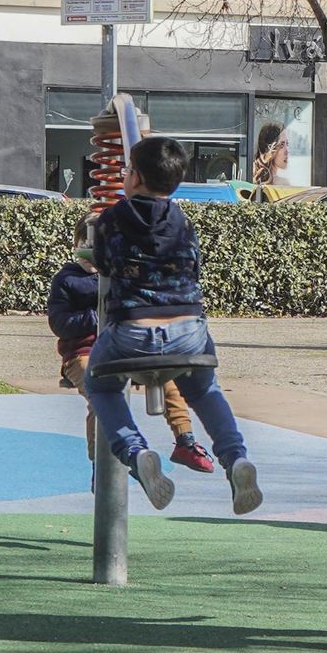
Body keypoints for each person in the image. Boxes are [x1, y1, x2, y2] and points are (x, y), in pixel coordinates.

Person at [84, 136, 263, 515]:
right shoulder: (183, 220)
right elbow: (194, 267)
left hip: (133, 330)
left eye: (129, 169)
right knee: (205, 389)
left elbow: (103, 264)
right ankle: (235, 459)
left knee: (100, 385)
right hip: (188, 330)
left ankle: (135, 452)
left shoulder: (113, 219)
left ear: (136, 178)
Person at [47, 215, 216, 474]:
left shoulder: (123, 277)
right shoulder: (68, 280)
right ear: (76, 243)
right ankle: (103, 466)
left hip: (126, 348)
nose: (90, 252)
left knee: (169, 379)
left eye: (99, 247)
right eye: (85, 243)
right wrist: (97, 316)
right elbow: (59, 323)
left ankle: (185, 440)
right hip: (84, 351)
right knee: (101, 398)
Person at [252, 122, 289, 187]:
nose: (287, 151)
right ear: (270, 149)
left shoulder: (254, 177)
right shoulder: (282, 183)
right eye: (281, 145)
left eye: (287, 144)